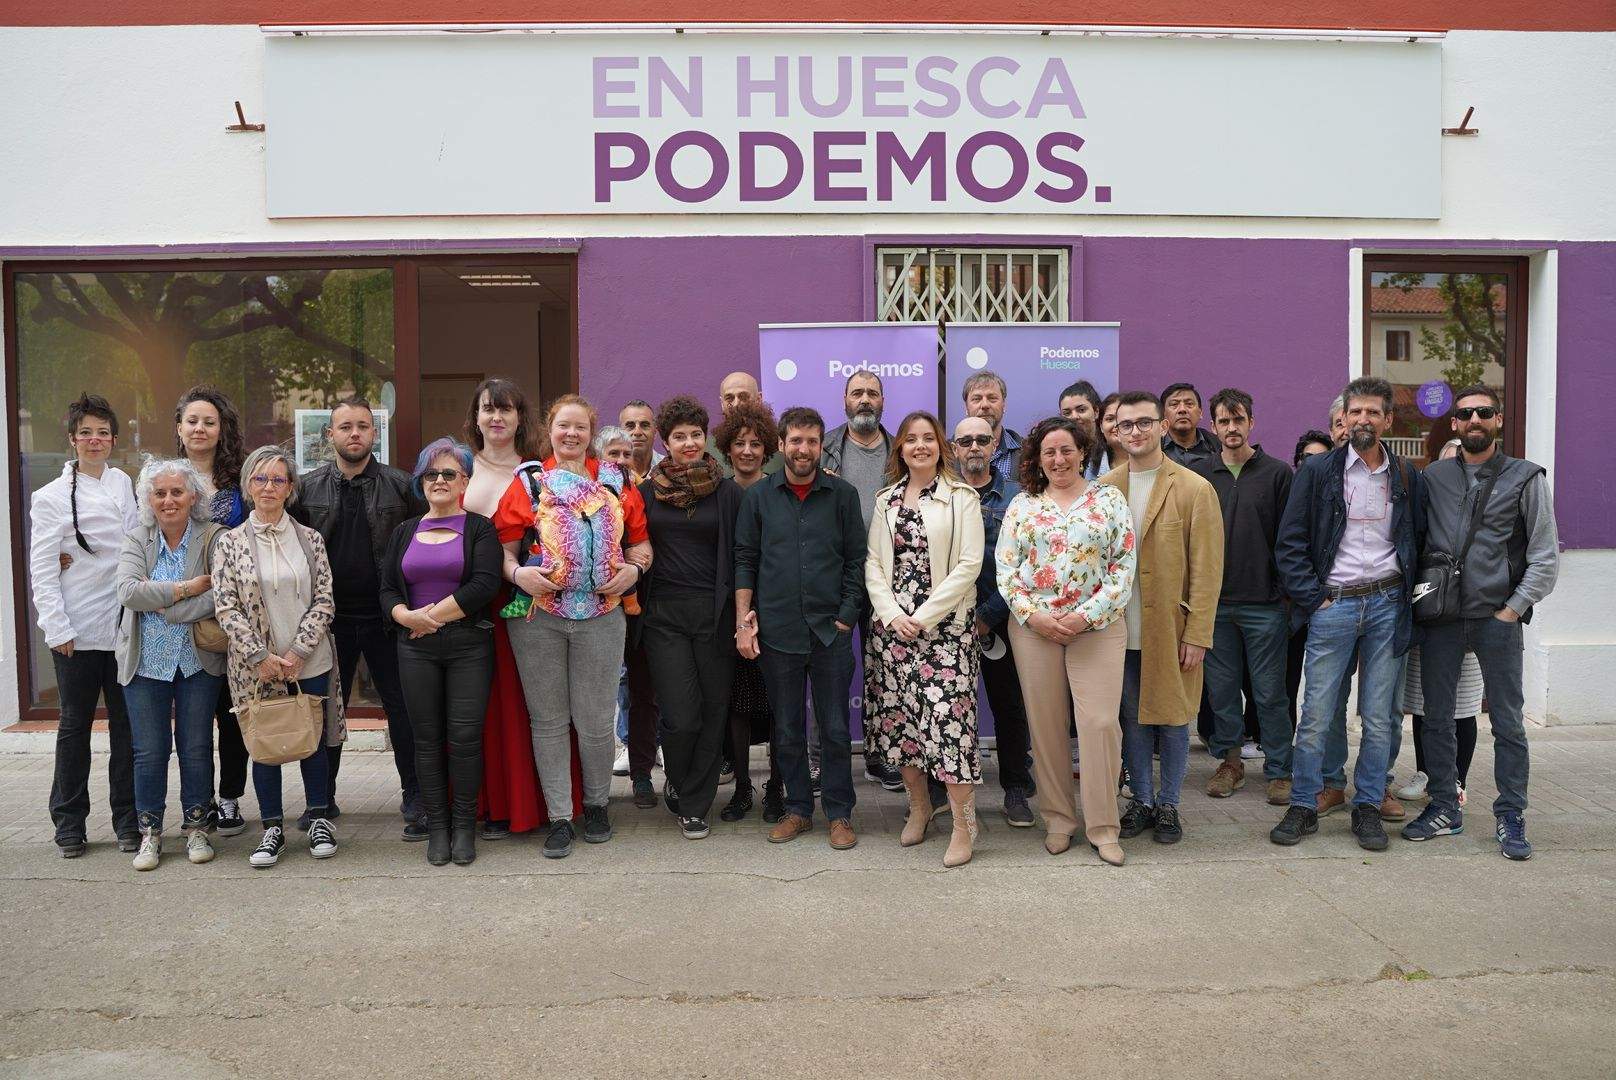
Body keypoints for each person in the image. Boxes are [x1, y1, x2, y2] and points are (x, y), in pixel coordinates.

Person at [1402, 386, 1559, 860]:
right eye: (1465, 413)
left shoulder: (1526, 478)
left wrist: (1513, 608)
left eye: (1483, 412)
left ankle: (1511, 813)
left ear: (1498, 420)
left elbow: (1545, 555)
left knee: (1508, 722)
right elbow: (1415, 539)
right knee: (1436, 718)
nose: (1474, 420)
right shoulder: (1434, 477)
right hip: (1443, 619)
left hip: (1497, 619)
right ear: (1454, 424)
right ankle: (1445, 806)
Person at [1272, 377, 1425, 851]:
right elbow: (1290, 542)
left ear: (1387, 420)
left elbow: (1417, 540)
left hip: (1387, 604)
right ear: (1344, 418)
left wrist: (1408, 600)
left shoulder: (1406, 475)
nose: (1363, 420)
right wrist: (1313, 597)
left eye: (1372, 413)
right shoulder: (1318, 471)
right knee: (1316, 712)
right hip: (1333, 604)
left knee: (1380, 717)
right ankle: (1303, 804)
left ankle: (1367, 807)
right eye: (1355, 412)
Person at [496, 395, 652, 859]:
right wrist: (516, 573)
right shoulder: (529, 482)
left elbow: (641, 544)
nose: (571, 434)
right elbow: (503, 551)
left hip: (603, 616)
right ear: (550, 428)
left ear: (591, 432)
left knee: (597, 720)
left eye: (580, 427)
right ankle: (560, 816)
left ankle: (598, 805)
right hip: (538, 619)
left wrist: (634, 571)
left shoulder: (616, 480)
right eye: (563, 426)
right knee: (548, 721)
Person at [996, 416, 1135, 866]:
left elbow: (1122, 568)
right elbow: (1007, 569)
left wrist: (1083, 616)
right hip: (1035, 630)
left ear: (1082, 453)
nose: (1059, 459)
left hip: (1096, 628)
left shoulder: (1108, 499)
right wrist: (1035, 616)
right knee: (1047, 726)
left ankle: (1104, 826)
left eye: (1067, 450)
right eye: (1049, 452)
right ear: (1037, 458)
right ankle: (1058, 820)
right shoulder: (1023, 505)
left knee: (1098, 725)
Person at [290, 396, 426, 839]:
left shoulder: (401, 486)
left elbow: (421, 546)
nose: (354, 434)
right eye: (345, 426)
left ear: (374, 433)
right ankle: (321, 800)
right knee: (326, 711)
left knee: (402, 710)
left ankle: (415, 798)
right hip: (328, 622)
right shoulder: (306, 490)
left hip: (388, 618)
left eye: (363, 426)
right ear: (329, 434)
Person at [735, 406, 866, 851]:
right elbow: (745, 561)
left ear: (819, 446)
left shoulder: (843, 495)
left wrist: (847, 615)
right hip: (778, 632)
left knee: (833, 728)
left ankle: (840, 813)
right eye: (796, 441)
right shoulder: (759, 497)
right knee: (787, 728)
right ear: (782, 445)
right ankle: (797, 809)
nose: (804, 449)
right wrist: (744, 620)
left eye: (812, 441)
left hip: (831, 632)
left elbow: (856, 560)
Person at [212, 445, 347, 868]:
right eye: (260, 478)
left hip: (310, 660)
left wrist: (298, 650)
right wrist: (261, 656)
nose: (269, 486)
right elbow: (225, 606)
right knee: (265, 744)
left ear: (290, 488)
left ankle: (319, 817)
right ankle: (272, 828)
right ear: (248, 485)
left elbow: (325, 599)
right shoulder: (228, 543)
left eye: (278, 479)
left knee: (312, 742)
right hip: (256, 667)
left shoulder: (310, 539)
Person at [1103, 392, 1224, 846]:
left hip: (1172, 628)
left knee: (1173, 718)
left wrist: (1198, 634)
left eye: (1144, 423)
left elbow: (1209, 570)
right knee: (1131, 717)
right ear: (1115, 431)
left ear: (1160, 427)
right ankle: (1143, 801)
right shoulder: (1105, 489)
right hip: (1117, 630)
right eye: (1125, 424)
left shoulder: (1194, 488)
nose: (1135, 431)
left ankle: (1170, 803)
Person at [864, 412, 984, 865]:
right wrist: (894, 615)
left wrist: (924, 616)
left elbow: (969, 565)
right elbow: (873, 565)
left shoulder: (961, 499)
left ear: (941, 446)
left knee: (950, 733)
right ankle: (918, 810)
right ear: (900, 448)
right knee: (903, 730)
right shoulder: (886, 501)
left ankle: (962, 826)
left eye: (928, 439)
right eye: (911, 439)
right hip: (893, 634)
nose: (919, 446)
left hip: (945, 634)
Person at [462, 377, 578, 840]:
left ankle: (543, 806)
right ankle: (492, 804)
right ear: (476, 417)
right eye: (488, 409)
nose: (497, 417)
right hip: (470, 600)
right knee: (483, 706)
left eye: (506, 409)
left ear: (519, 417)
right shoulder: (457, 467)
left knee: (532, 704)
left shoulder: (538, 472)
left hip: (526, 600)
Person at [379, 439, 502, 867]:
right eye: (432, 474)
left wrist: (428, 617)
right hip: (416, 650)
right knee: (425, 741)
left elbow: (485, 584)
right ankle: (438, 828)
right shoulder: (403, 532)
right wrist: (404, 616)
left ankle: (465, 827)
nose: (440, 481)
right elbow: (388, 588)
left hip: (468, 646)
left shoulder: (480, 529)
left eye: (450, 473)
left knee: (465, 740)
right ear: (420, 481)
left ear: (465, 480)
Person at [30, 393, 140, 858]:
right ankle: (69, 821)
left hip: (124, 625)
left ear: (113, 439)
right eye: (86, 433)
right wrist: (56, 628)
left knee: (126, 729)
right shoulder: (50, 497)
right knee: (74, 726)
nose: (94, 440)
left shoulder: (125, 485)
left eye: (102, 432)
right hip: (75, 628)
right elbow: (42, 565)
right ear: (72, 440)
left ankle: (128, 820)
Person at [637, 396, 743, 839]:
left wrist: (742, 615)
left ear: (706, 439)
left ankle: (695, 804)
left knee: (714, 709)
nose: (688, 442)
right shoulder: (646, 492)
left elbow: (742, 556)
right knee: (681, 716)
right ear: (667, 441)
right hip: (663, 616)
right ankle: (681, 781)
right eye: (679, 436)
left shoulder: (727, 491)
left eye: (695, 435)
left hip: (714, 616)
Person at [116, 458, 227, 870]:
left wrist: (168, 606)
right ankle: (151, 833)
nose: (168, 500)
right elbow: (128, 592)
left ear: (193, 496)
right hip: (144, 663)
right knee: (150, 751)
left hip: (196, 662)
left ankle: (197, 828)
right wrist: (184, 588)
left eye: (177, 491)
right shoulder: (137, 538)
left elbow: (221, 593)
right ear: (148, 498)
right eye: (159, 493)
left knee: (196, 748)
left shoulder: (214, 537)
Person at [1199, 388, 1296, 806]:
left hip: (1265, 605)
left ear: (1251, 422)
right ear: (1214, 426)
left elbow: (1291, 540)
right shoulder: (1202, 476)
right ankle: (1231, 762)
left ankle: (1280, 769)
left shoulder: (1277, 474)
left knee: (1270, 691)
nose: (1232, 428)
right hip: (1215, 605)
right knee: (1221, 690)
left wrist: (1286, 598)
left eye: (1238, 420)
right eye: (1223, 421)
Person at [173, 386, 251, 838]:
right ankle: (195, 802)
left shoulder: (240, 479)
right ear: (179, 428)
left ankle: (230, 798)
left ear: (222, 430)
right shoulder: (162, 478)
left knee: (234, 711)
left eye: (209, 422)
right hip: (180, 610)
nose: (200, 429)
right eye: (192, 421)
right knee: (193, 718)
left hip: (234, 611)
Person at [951, 415, 1036, 827]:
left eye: (982, 440)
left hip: (1002, 619)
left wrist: (988, 615)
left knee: (1009, 707)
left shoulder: (1018, 498)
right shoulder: (940, 498)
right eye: (965, 440)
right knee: (949, 710)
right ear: (954, 449)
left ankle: (1016, 790)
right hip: (947, 623)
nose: (974, 447)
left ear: (995, 444)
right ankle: (940, 791)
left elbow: (1024, 566)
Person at [818, 369, 899, 791]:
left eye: (872, 393)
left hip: (890, 577)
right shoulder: (825, 447)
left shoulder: (900, 449)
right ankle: (820, 760)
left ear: (883, 401)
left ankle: (881, 756)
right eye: (857, 393)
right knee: (828, 668)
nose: (864, 400)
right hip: (837, 575)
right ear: (845, 400)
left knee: (885, 670)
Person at [1395, 438, 1483, 806]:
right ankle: (1427, 771)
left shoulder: (1480, 508)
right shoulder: (1427, 502)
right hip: (1429, 610)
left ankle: (1456, 780)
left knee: (1461, 707)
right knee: (1424, 703)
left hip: (1469, 613)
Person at [711, 401, 783, 822]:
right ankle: (741, 787)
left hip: (773, 609)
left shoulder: (777, 490)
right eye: (740, 443)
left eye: (757, 443)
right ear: (727, 448)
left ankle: (776, 786)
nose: (749, 451)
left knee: (776, 704)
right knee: (736, 706)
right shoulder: (718, 492)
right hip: (730, 612)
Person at [597, 423, 661, 808]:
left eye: (626, 455)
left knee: (642, 695)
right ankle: (589, 785)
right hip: (591, 608)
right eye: (613, 455)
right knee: (593, 698)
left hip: (638, 609)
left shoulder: (642, 493)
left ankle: (641, 776)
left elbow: (646, 544)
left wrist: (637, 565)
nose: (621, 461)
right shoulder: (579, 491)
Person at [1284, 431, 1335, 728]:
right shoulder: (1289, 493)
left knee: (1326, 687)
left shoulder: (1339, 498)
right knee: (1288, 681)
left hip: (1328, 604)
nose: (1313, 464)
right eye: (1307, 458)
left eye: (1320, 458)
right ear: (1297, 462)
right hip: (1294, 604)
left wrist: (1323, 600)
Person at [710, 371, 784, 476]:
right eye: (729, 398)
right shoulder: (708, 450)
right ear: (722, 404)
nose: (736, 404)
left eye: (743, 397)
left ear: (758, 399)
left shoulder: (782, 446)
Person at [962, 371, 1022, 486]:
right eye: (977, 399)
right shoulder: (946, 453)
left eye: (992, 398)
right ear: (966, 407)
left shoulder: (1027, 451)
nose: (985, 405)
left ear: (1004, 405)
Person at [1159, 382, 1222, 471]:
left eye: (1189, 404)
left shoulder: (1218, 445)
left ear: (1200, 413)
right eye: (1174, 404)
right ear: (1163, 414)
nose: (1182, 410)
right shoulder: (1152, 448)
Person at [1058, 380, 1108, 477]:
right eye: (1067, 413)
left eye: (1081, 410)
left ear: (1096, 411)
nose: (1074, 417)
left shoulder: (1113, 449)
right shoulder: (1057, 453)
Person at [618, 400, 664, 479]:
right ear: (619, 433)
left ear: (655, 432)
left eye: (644, 425)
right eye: (630, 426)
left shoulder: (669, 470)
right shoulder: (608, 470)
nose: (637, 432)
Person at [1099, 393, 1127, 471]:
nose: (1116, 425)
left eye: (1123, 418)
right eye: (1110, 419)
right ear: (1101, 426)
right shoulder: (1091, 467)